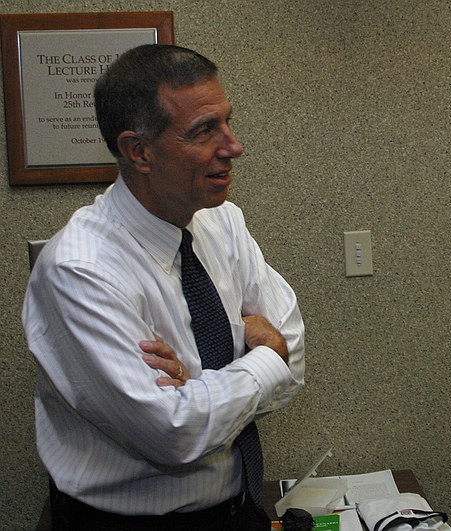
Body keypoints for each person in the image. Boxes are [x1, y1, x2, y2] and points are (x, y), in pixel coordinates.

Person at [22, 44, 305, 530]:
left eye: (227, 122)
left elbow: (294, 356)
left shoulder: (223, 221)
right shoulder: (78, 270)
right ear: (139, 151)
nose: (233, 146)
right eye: (203, 131)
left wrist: (197, 388)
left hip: (240, 510)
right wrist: (261, 356)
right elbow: (172, 435)